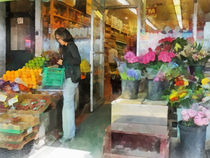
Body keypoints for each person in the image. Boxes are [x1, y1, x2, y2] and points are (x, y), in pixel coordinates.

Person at [54, 27, 81, 143]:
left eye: (59, 38)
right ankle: (69, 131)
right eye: (57, 39)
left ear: (64, 36)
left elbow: (77, 60)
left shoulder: (71, 46)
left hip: (71, 78)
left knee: (68, 106)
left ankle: (68, 134)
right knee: (68, 105)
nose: (58, 41)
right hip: (68, 77)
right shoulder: (64, 47)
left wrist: (63, 62)